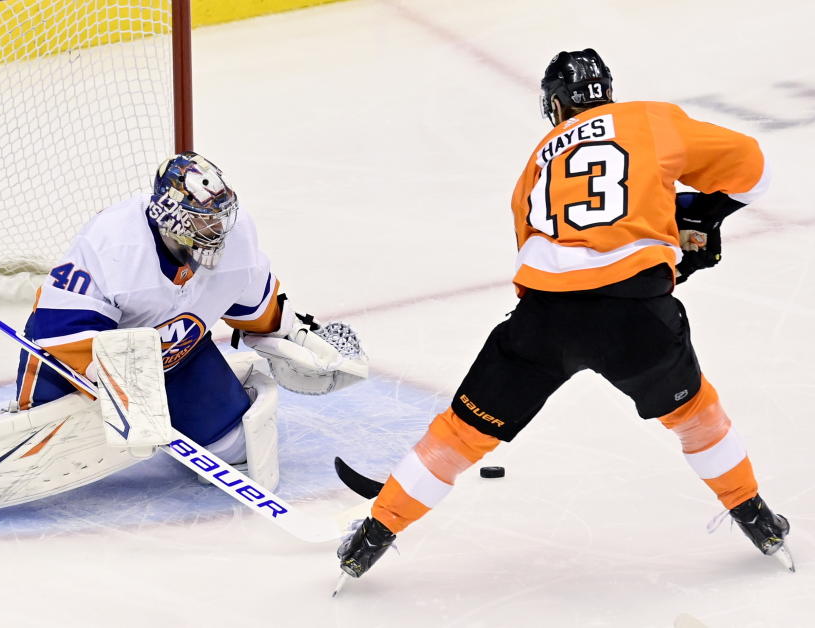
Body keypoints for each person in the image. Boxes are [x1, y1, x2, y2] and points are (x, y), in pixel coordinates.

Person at [337, 49, 792, 579]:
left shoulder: (536, 160)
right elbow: (752, 169)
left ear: (555, 105)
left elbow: (534, 256)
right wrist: (701, 222)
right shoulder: (649, 118)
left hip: (546, 319)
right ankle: (755, 517)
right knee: (695, 416)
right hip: (636, 314)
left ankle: (372, 537)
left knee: (460, 434)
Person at [0, 151, 367, 535]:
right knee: (42, 447)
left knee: (233, 450)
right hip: (86, 356)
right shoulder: (111, 245)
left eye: (218, 220)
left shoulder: (235, 241)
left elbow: (260, 310)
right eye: (200, 224)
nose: (214, 232)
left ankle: (166, 407)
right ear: (168, 215)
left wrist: (306, 342)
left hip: (177, 357)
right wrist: (115, 394)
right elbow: (56, 342)